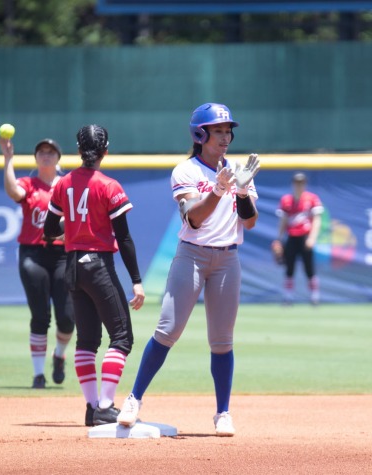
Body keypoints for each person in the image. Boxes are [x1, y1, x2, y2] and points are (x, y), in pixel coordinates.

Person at [116, 103, 260, 437]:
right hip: (192, 256)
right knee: (167, 330)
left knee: (222, 340)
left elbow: (250, 222)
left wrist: (240, 190)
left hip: (227, 258)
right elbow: (195, 218)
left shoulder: (238, 169)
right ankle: (134, 399)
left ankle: (223, 413)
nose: (226, 137)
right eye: (218, 130)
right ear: (200, 134)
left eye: (228, 130)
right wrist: (220, 189)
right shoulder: (186, 171)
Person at [43, 124, 145, 427]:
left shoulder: (62, 184)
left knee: (87, 341)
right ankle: (104, 406)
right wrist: (137, 280)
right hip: (98, 264)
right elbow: (124, 238)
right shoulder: (109, 186)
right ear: (105, 151)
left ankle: (91, 409)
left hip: (71, 266)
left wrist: (72, 228)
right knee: (122, 337)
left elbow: (49, 230)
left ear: (77, 150)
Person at [0, 136, 75, 389]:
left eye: (51, 151)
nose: (46, 154)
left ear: (58, 157)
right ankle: (38, 375)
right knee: (40, 315)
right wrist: (8, 159)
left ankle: (59, 354)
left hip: (63, 254)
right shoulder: (29, 184)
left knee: (66, 318)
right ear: (36, 157)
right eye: (41, 151)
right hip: (33, 253)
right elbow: (13, 191)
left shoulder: (67, 184)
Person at [275, 172, 324, 305]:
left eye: (301, 183)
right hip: (292, 236)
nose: (299, 185)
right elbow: (283, 221)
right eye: (297, 183)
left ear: (305, 184)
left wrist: (312, 238)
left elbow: (317, 220)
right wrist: (278, 239)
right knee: (289, 267)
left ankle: (314, 297)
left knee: (309, 268)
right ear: (293, 184)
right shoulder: (286, 200)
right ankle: (288, 297)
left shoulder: (312, 198)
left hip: (305, 236)